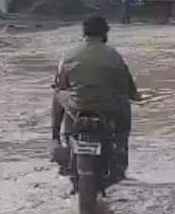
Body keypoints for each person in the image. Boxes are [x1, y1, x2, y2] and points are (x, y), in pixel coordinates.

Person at [51, 15, 141, 188]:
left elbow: (61, 84)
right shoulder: (114, 55)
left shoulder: (69, 54)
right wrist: (135, 96)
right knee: (124, 111)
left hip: (77, 108)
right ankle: (120, 153)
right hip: (108, 109)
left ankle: (55, 138)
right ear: (105, 33)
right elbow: (129, 90)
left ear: (84, 32)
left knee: (58, 93)